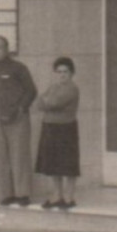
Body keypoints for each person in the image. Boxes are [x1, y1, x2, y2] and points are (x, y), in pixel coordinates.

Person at [0, 35, 38, 207]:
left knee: (19, 156)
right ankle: (4, 195)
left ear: (6, 49)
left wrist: (20, 109)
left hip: (17, 118)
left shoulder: (18, 68)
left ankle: (23, 194)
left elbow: (31, 91)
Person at [36, 57, 81, 210]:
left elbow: (52, 103)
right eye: (59, 71)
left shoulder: (72, 88)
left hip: (65, 129)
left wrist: (46, 100)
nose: (62, 75)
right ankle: (57, 196)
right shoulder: (53, 87)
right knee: (53, 164)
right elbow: (38, 103)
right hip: (50, 127)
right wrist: (45, 101)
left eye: (65, 72)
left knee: (67, 165)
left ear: (71, 73)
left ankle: (69, 197)